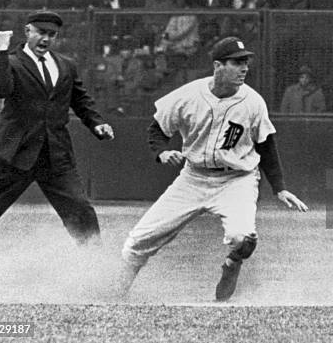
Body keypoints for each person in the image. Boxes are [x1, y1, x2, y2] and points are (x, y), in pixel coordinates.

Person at [117, 36, 308, 301]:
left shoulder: (253, 102)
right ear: (218, 65)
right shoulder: (188, 95)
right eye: (237, 62)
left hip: (236, 180)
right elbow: (157, 129)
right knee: (139, 240)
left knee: (243, 238)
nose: (244, 68)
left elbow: (266, 145)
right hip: (193, 178)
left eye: (246, 62)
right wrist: (161, 152)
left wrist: (280, 188)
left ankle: (232, 264)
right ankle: (114, 291)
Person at [0, 11, 115, 256]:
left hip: (55, 154)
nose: (45, 39)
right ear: (28, 32)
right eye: (41, 33)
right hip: (15, 150)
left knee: (80, 210)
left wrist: (96, 123)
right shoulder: (11, 61)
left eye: (51, 35)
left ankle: (97, 266)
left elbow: (80, 99)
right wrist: (1, 51)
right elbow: (0, 90)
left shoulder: (65, 64)